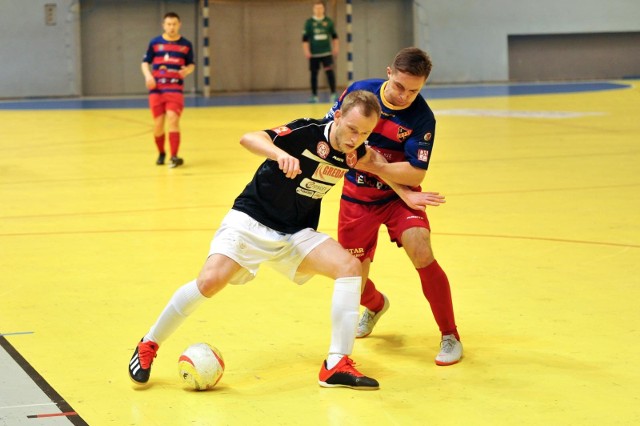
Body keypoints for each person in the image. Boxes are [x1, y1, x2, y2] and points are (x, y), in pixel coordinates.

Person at [127, 90, 444, 390]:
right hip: (252, 220)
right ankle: (149, 343)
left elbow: (378, 166)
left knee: (349, 267)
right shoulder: (307, 131)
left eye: (364, 134)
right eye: (351, 129)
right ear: (338, 116)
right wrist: (279, 154)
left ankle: (336, 364)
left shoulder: (355, 150)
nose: (355, 139)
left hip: (295, 232)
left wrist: (405, 194)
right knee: (210, 281)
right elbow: (249, 138)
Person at [324, 47, 463, 366]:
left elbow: (416, 171)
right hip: (357, 199)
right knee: (352, 282)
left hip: (402, 198)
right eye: (400, 86)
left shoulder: (422, 118)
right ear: (389, 73)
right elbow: (332, 134)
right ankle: (374, 305)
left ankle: (450, 334)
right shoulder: (359, 95)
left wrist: (373, 164)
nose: (404, 96)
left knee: (421, 247)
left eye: (414, 90)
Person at [141, 12, 195, 168]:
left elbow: (191, 64)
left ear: (179, 25)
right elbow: (145, 62)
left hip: (175, 89)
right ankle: (161, 153)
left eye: (174, 24)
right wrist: (148, 76)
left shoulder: (186, 45)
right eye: (168, 24)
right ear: (164, 25)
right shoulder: (155, 43)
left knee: (173, 119)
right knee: (158, 124)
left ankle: (174, 156)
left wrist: (187, 71)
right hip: (157, 89)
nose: (171, 27)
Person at [302, 0, 339, 104]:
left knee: (330, 73)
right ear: (313, 9)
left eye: (320, 8)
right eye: (316, 8)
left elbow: (335, 37)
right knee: (314, 74)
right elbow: (305, 39)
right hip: (314, 54)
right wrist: (306, 51)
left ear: (323, 9)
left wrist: (336, 48)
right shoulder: (309, 23)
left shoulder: (328, 22)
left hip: (326, 53)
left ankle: (333, 94)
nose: (318, 10)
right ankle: (314, 96)